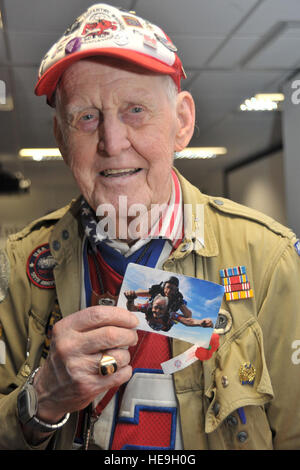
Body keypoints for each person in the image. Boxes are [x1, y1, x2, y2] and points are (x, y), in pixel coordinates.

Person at [0, 3, 299, 451]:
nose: (112, 143)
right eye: (86, 117)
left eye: (135, 109)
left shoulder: (268, 260)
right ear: (62, 139)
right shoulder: (19, 265)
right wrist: (40, 402)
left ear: (181, 122)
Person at [125, 292, 213, 332]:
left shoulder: (170, 314)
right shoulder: (147, 307)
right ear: (152, 305)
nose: (158, 311)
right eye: (156, 307)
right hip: (158, 322)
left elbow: (187, 321)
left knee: (186, 315)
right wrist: (130, 300)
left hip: (166, 326)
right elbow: (131, 308)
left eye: (161, 308)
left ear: (166, 309)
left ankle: (181, 304)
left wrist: (200, 322)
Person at [124, 276, 192, 318]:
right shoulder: (157, 291)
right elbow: (137, 295)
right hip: (151, 307)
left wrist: (181, 304)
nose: (168, 291)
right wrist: (130, 296)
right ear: (163, 286)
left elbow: (188, 316)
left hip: (168, 314)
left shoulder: (177, 299)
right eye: (168, 287)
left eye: (172, 289)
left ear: (176, 291)